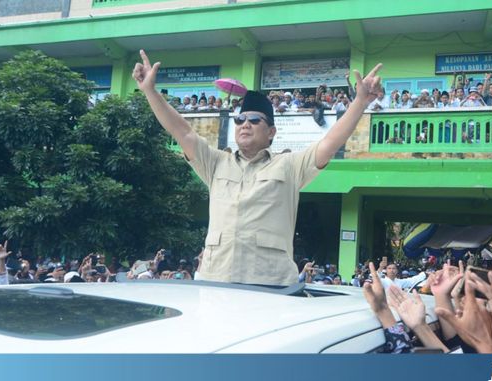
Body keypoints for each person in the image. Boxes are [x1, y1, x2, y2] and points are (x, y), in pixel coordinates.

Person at [132, 50, 383, 285]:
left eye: (254, 120)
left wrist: (360, 102)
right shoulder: (217, 163)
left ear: (271, 131)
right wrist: (150, 92)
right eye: (241, 119)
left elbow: (329, 143)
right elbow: (184, 132)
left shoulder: (289, 165)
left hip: (269, 285)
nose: (245, 124)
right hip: (214, 281)